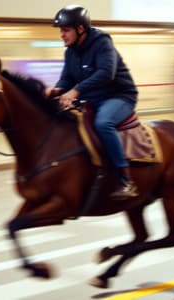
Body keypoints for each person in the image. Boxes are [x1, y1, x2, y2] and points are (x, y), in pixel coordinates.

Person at [44, 4, 139, 199]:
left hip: (119, 96)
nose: (62, 35)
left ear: (80, 29)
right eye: (61, 31)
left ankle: (125, 179)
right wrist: (57, 89)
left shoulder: (102, 43)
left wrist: (76, 92)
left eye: (66, 30)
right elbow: (67, 79)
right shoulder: (70, 51)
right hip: (93, 99)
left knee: (103, 123)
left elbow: (106, 73)